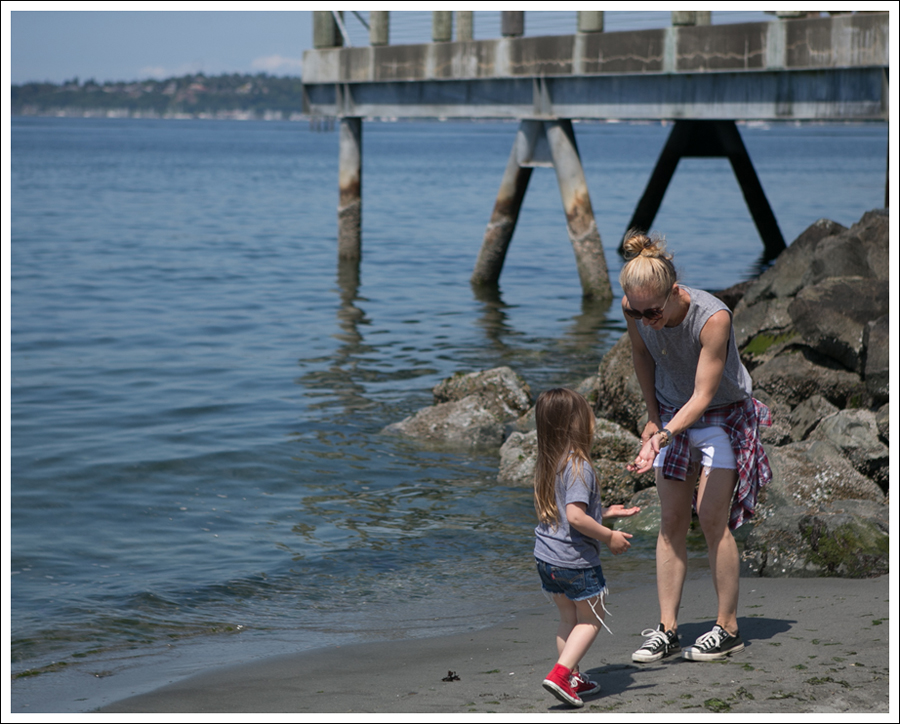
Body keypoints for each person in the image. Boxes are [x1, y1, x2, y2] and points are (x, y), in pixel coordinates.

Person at [619, 230, 771, 664]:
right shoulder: (633, 307)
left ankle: (728, 627)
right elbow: (641, 356)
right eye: (638, 312)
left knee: (710, 519)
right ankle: (667, 630)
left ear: (674, 292)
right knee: (670, 520)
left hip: (721, 416)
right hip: (670, 411)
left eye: (654, 311)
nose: (647, 320)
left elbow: (704, 396)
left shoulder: (712, 318)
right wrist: (652, 416)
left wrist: (664, 435)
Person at [533, 387, 641, 708]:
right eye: (588, 416)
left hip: (546, 558)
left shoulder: (549, 462)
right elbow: (575, 516)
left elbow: (567, 513)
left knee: (568, 618)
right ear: (578, 425)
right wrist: (608, 536)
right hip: (574, 560)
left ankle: (573, 676)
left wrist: (604, 512)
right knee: (592, 618)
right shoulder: (580, 466)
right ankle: (561, 674)